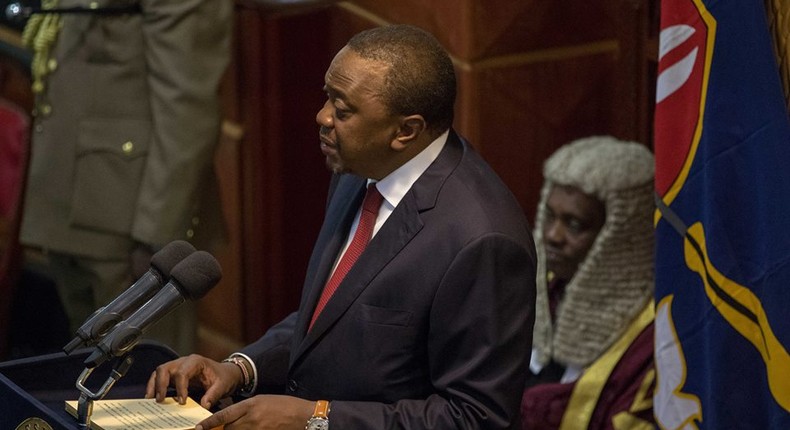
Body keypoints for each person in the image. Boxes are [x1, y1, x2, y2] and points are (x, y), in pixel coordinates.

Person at [147, 24, 537, 429]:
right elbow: (332, 320)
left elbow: (476, 417)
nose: (322, 116)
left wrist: (318, 419)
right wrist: (242, 368)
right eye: (327, 97)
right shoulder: (359, 168)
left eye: (343, 109)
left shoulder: (482, 241)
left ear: (406, 130)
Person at [17, 0, 232, 355]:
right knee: (82, 374)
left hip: (132, 219)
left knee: (144, 384)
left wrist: (157, 241)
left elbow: (187, 105)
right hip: (70, 198)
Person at [521, 136, 656, 429]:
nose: (553, 236)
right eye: (550, 216)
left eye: (574, 224)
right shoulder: (534, 291)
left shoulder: (651, 335)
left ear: (621, 236)